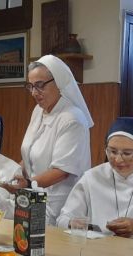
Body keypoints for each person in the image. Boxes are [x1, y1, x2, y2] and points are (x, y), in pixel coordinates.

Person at [19, 55, 93, 226]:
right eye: (30, 86)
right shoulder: (38, 111)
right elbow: (30, 154)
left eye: (39, 85)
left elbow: (62, 171)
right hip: (35, 195)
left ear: (59, 82)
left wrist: (27, 185)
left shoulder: (72, 118)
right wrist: (12, 174)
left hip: (60, 203)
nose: (34, 93)